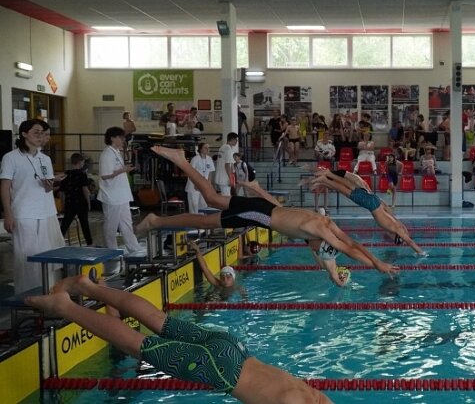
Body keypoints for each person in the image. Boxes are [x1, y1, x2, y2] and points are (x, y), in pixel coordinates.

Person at [25, 275, 331, 403]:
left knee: (160, 321)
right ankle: (63, 306)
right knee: (136, 344)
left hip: (235, 348)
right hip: (220, 369)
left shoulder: (321, 400)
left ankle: (89, 287)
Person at [136, 146, 399, 279]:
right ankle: (157, 220)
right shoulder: (319, 230)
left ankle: (181, 161)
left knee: (212, 198)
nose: (320, 251)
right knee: (207, 217)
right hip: (259, 215)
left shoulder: (322, 222)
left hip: (264, 210)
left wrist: (336, 274)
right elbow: (350, 249)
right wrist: (378, 265)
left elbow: (346, 247)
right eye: (323, 249)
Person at [1, 119, 66, 294]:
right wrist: (8, 214)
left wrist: (51, 184)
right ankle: (27, 295)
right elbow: (5, 187)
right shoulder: (11, 158)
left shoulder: (45, 158)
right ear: (24, 134)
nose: (41, 136)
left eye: (43, 133)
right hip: (24, 213)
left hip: (47, 212)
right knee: (26, 257)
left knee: (49, 254)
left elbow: (47, 188)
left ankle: (49, 291)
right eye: (36, 132)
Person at [306, 168, 427, 256]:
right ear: (397, 236)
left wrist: (404, 228)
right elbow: (409, 241)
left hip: (375, 200)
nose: (388, 237)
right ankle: (324, 178)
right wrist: (421, 252)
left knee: (348, 184)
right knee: (344, 189)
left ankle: (325, 175)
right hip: (370, 204)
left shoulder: (395, 223)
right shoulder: (395, 229)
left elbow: (389, 211)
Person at [99, 127, 142, 272]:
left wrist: (123, 169)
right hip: (112, 196)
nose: (123, 140)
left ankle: (133, 247)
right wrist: (123, 170)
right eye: (120, 137)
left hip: (121, 195)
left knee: (126, 222)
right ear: (112, 138)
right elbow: (105, 175)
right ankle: (111, 250)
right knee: (111, 224)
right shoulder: (107, 154)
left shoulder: (116, 152)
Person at [59, 153, 93, 246]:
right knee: (84, 223)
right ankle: (89, 243)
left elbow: (61, 192)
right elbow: (85, 190)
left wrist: (63, 204)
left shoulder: (66, 175)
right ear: (80, 162)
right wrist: (89, 203)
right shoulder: (82, 174)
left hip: (70, 202)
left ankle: (57, 241)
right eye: (83, 162)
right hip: (81, 202)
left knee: (65, 223)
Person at [186, 143, 214, 214]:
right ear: (200, 149)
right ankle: (193, 222)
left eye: (208, 148)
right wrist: (196, 184)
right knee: (194, 206)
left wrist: (209, 184)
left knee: (203, 205)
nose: (208, 149)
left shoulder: (209, 159)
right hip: (193, 186)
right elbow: (191, 172)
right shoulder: (195, 159)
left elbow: (210, 172)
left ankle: (201, 221)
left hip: (204, 186)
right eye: (205, 148)